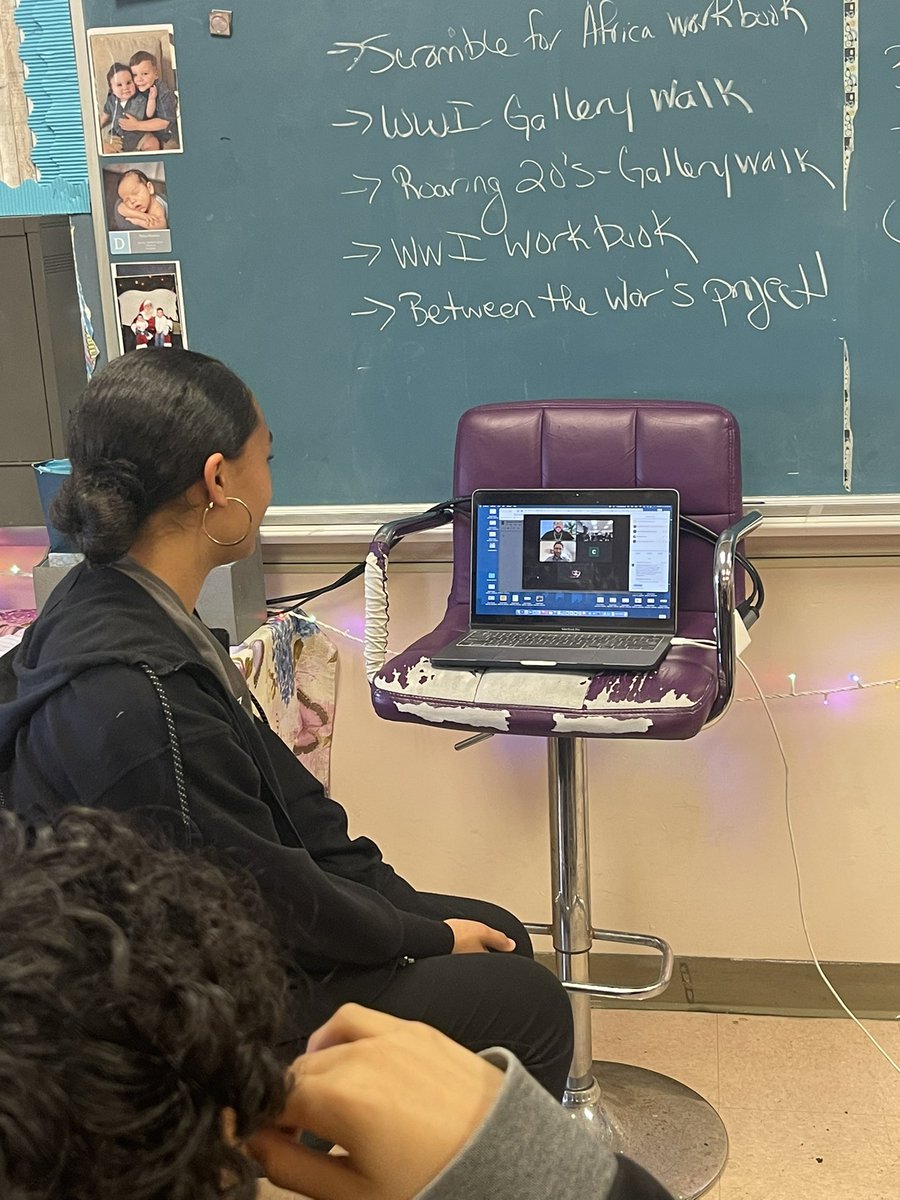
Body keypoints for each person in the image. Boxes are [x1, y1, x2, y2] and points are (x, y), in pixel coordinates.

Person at [0, 349, 573, 1097]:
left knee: (495, 928)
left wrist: (401, 907)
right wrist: (418, 937)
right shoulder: (141, 694)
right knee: (526, 1003)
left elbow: (297, 817)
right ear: (218, 480)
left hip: (208, 935)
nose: (270, 485)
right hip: (174, 1004)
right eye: (264, 459)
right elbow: (255, 896)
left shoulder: (120, 608)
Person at [0, 808, 673, 1200]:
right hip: (304, 963)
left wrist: (408, 920)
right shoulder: (147, 678)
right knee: (525, 993)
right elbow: (285, 886)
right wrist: (525, 1175)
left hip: (313, 942)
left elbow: (312, 839)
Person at [118, 49, 179, 151]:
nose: (139, 79)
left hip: (164, 136)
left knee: (165, 145)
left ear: (155, 73)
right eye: (135, 75)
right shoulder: (132, 88)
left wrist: (136, 125)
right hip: (139, 133)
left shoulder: (163, 92)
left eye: (145, 74)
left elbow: (165, 122)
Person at [97, 62, 145, 154]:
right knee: (105, 148)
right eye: (119, 85)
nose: (125, 87)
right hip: (117, 136)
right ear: (111, 89)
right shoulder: (111, 101)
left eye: (128, 82)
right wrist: (94, 129)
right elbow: (104, 117)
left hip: (139, 135)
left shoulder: (140, 98)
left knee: (152, 142)